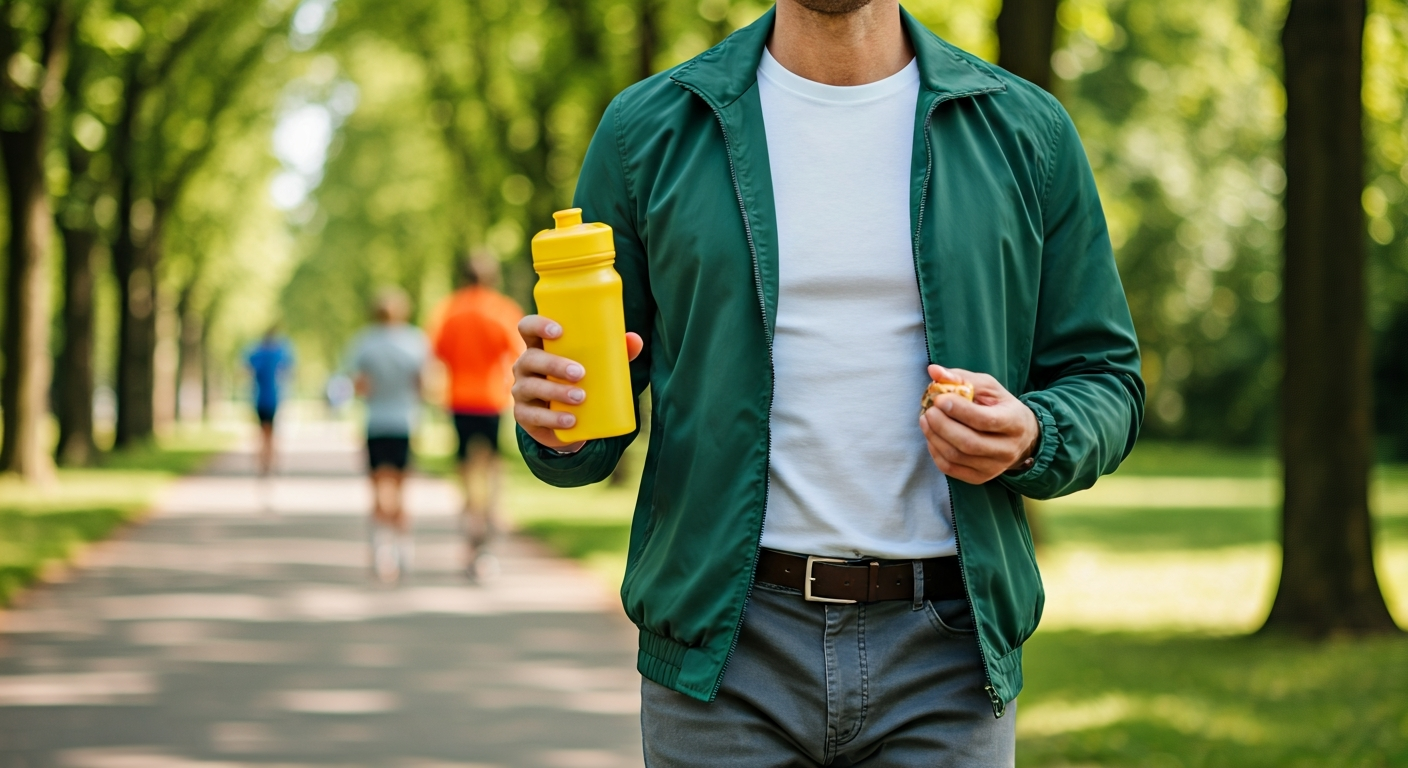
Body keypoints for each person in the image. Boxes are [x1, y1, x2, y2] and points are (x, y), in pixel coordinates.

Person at [511, 0, 1144, 765]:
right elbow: (586, 425)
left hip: (946, 657)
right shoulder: (651, 128)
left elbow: (1105, 378)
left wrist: (1036, 434)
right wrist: (554, 415)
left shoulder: (1025, 130)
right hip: (724, 655)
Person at [430, 254, 525, 578]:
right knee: (493, 463)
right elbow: (519, 352)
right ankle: (492, 514)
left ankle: (471, 518)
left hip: (459, 399)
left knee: (466, 467)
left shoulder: (449, 310)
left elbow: (438, 352)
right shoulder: (502, 309)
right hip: (491, 400)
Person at [350, 287, 429, 584]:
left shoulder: (364, 343)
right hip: (404, 423)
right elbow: (422, 385)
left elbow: (359, 386)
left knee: (377, 490)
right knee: (401, 490)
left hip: (376, 423)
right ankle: (403, 552)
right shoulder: (415, 341)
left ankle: (379, 552)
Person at [243, 327, 294, 477]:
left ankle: (263, 462)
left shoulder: (257, 353)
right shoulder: (279, 353)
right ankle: (270, 461)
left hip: (259, 398)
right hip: (273, 398)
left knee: (262, 432)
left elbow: (247, 369)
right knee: (271, 432)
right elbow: (288, 369)